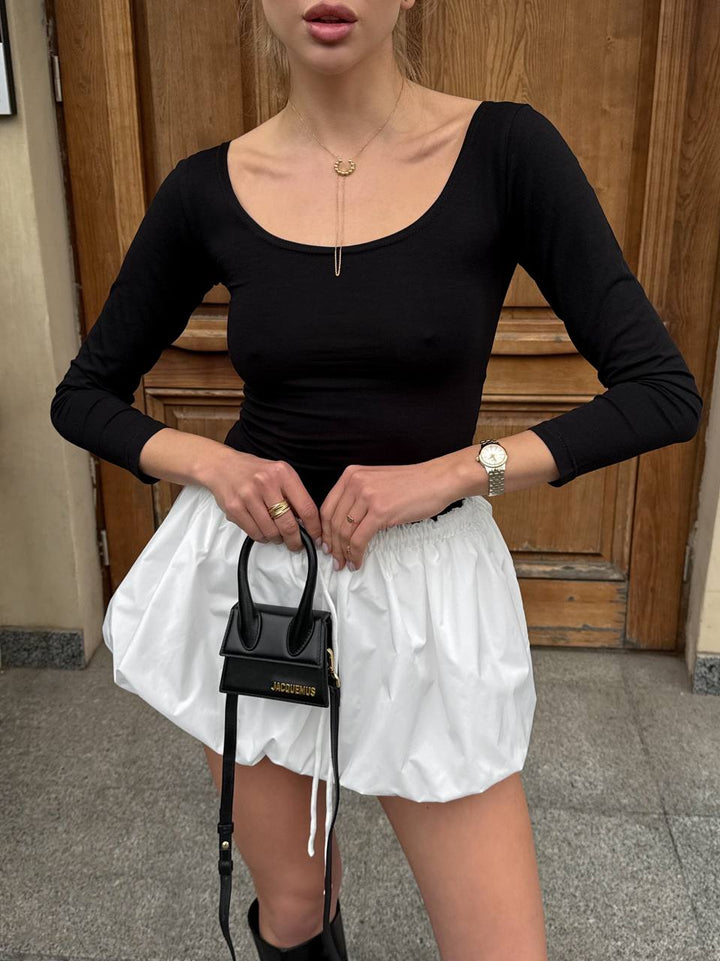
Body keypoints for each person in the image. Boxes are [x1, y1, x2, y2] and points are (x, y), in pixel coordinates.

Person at [49, 1, 703, 958]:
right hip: (259, 585)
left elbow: (662, 392)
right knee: (296, 906)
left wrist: (456, 473)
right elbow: (83, 395)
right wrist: (212, 463)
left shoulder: (505, 151)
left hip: (427, 591)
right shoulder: (206, 187)